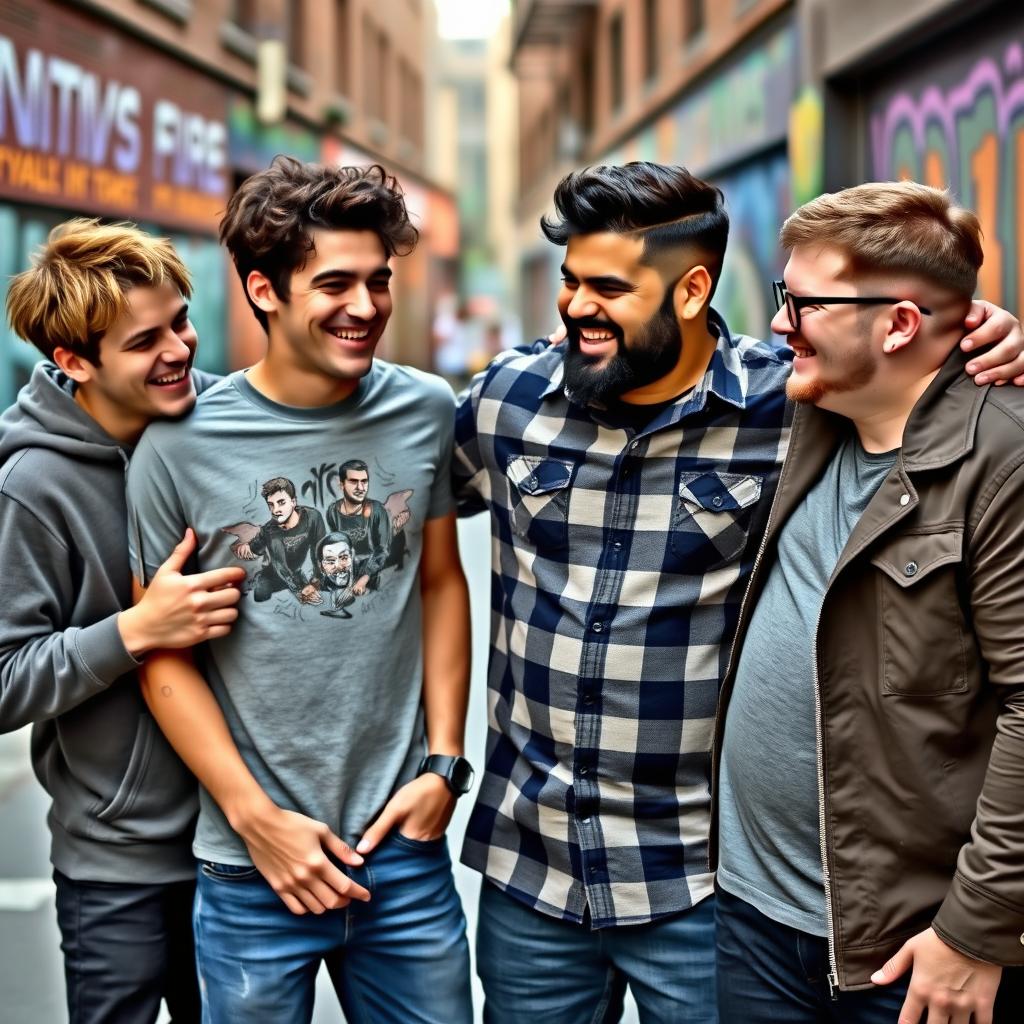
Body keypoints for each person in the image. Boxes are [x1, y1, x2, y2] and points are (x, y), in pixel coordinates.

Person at [451, 162, 1024, 1023]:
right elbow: (371, 484)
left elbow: (907, 375)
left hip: (698, 883)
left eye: (607, 286)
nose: (574, 305)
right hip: (536, 868)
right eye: (569, 281)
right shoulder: (506, 400)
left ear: (689, 291)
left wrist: (978, 336)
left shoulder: (785, 404)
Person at [124, 156, 474, 1024]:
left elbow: (439, 583)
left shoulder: (427, 409)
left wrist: (443, 765)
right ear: (264, 290)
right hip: (252, 865)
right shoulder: (177, 447)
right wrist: (254, 820)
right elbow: (162, 655)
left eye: (379, 282)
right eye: (335, 284)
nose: (365, 307)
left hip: (402, 852)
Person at [713, 180, 1024, 1022]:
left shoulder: (1003, 462)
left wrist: (976, 930)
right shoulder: (813, 413)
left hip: (907, 953)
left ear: (896, 325)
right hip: (753, 918)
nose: (781, 323)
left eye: (804, 302)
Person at [0, 219, 245, 1024]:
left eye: (181, 320)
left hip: (246, 841)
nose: (179, 349)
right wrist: (136, 630)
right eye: (145, 341)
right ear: (74, 361)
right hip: (120, 868)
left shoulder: (225, 424)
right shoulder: (31, 487)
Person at [326, 459, 392, 592]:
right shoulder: (333, 511)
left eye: (364, 481)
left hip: (372, 580)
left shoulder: (377, 510)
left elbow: (382, 550)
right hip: (344, 579)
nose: (361, 488)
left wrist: (365, 577)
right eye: (354, 481)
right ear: (341, 485)